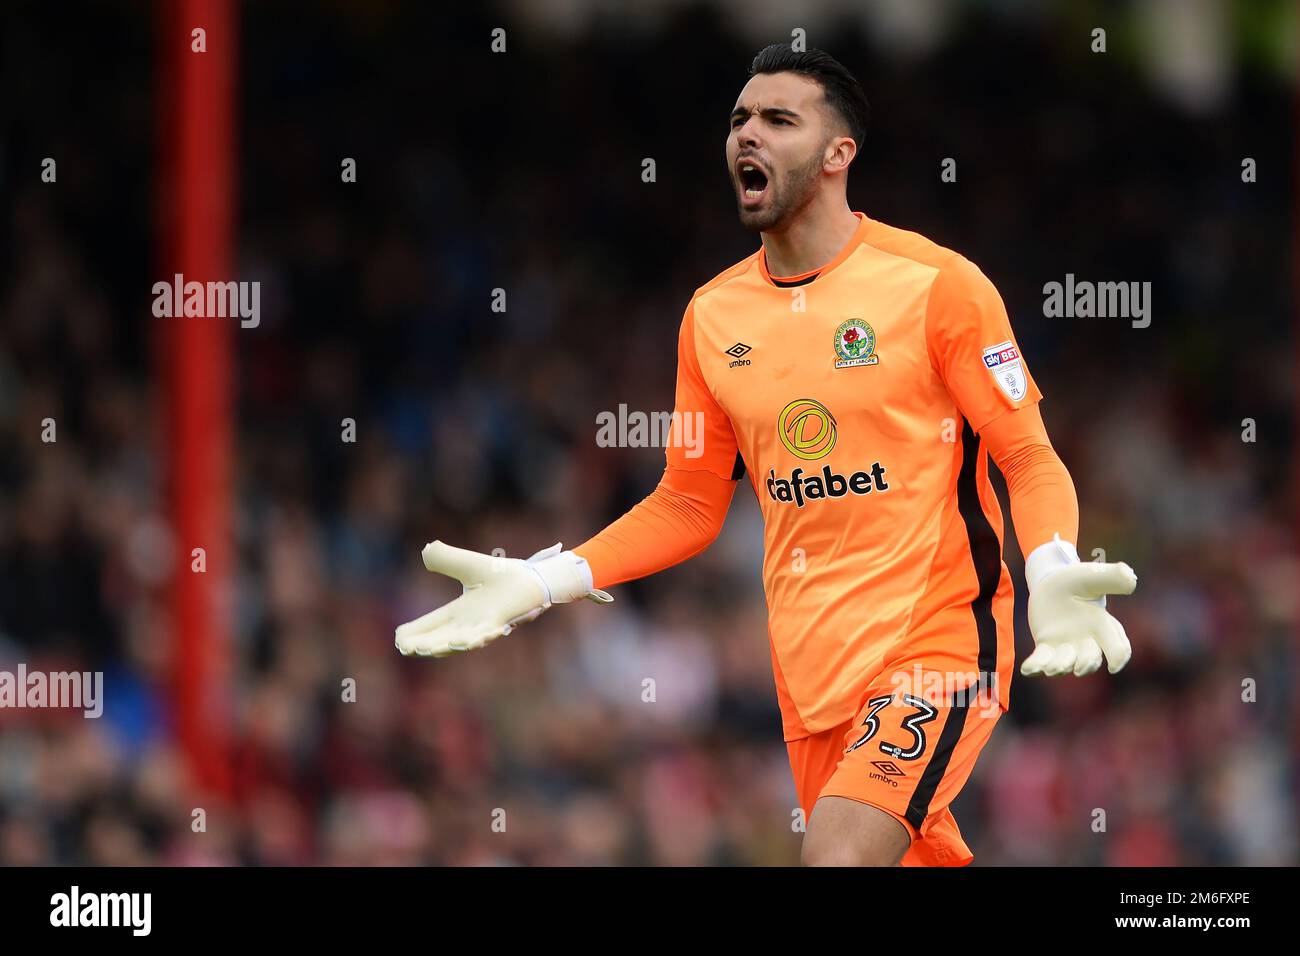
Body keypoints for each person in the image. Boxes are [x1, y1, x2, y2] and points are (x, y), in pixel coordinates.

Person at [395, 44, 1137, 867]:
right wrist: (543, 579)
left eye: (779, 120)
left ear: (836, 154)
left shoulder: (939, 286)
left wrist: (1056, 563)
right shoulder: (712, 318)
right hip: (811, 676)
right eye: (740, 119)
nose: (748, 135)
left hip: (938, 645)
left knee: (836, 857)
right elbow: (687, 502)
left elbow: (1027, 456)